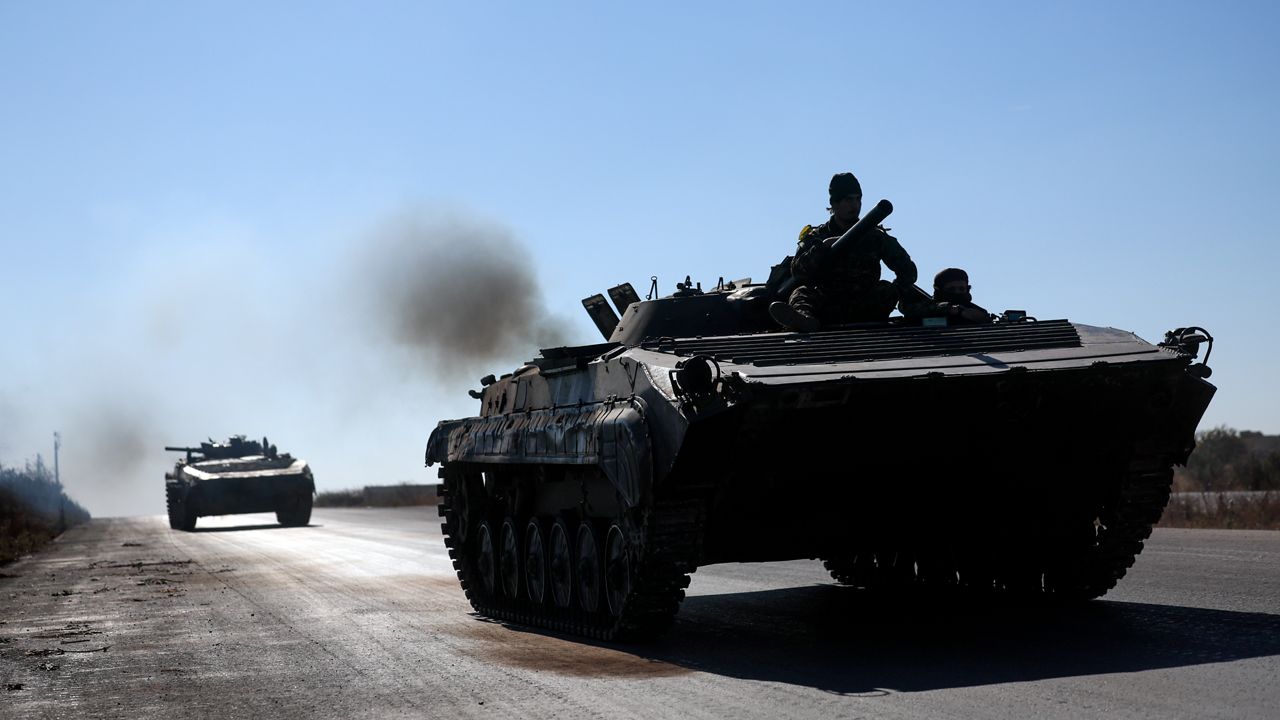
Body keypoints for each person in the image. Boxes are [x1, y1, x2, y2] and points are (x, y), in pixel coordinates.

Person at [769, 172, 918, 332]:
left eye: (858, 199)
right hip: (828, 303)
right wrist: (822, 248)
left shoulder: (874, 236)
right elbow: (798, 272)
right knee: (802, 293)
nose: (855, 205)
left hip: (866, 303)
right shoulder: (817, 237)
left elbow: (908, 271)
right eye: (848, 199)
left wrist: (896, 291)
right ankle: (804, 320)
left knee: (886, 289)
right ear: (834, 203)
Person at [902, 267, 994, 325]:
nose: (957, 292)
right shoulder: (924, 307)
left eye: (962, 289)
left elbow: (986, 320)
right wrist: (949, 309)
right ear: (939, 289)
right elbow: (909, 310)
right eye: (951, 289)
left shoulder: (975, 310)